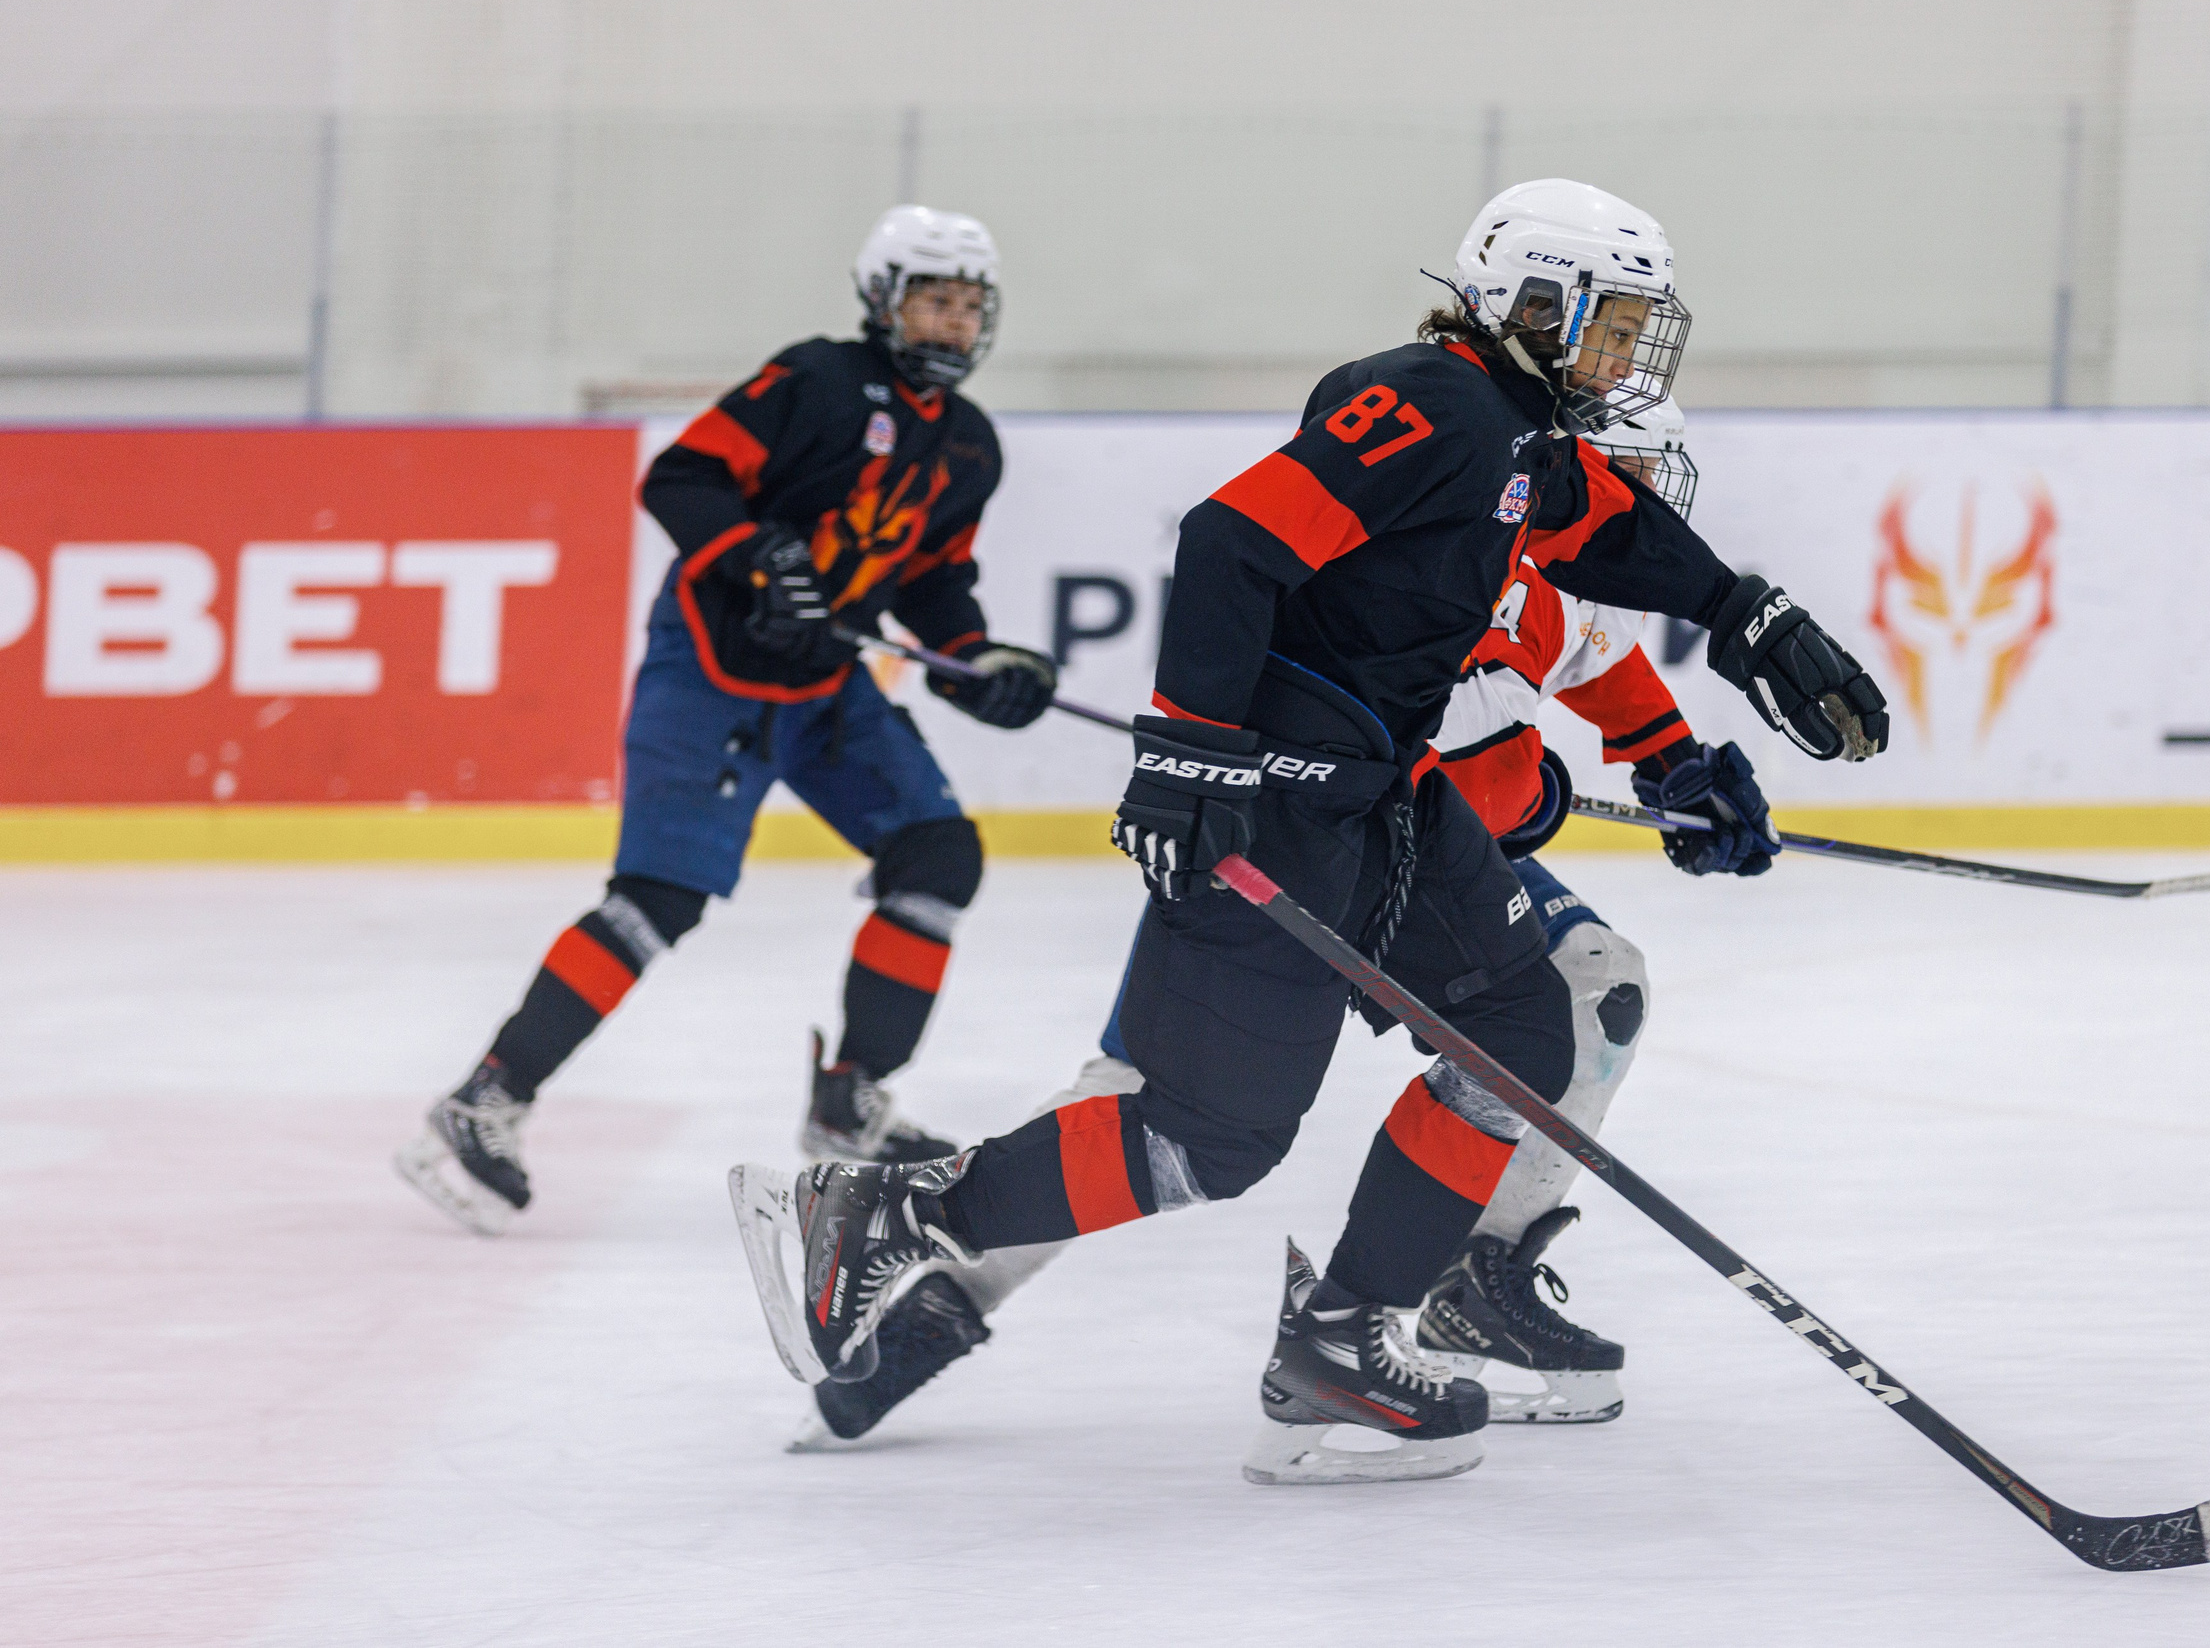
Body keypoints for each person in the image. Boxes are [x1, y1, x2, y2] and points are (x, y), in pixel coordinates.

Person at [731, 178, 1887, 1485]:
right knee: (1204, 1136)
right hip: (1283, 792)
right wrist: (1185, 748)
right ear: (1537, 301)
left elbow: (1596, 526)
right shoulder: (1438, 400)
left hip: (1380, 796)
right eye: (1613, 328)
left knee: (1529, 1025)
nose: (1625, 359)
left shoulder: (1511, 434)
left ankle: (1345, 1336)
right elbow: (1230, 540)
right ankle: (891, 1211)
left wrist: (1744, 613)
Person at [787, 401, 1783, 1448]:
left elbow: (1607, 681)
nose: (1633, 503)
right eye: (1615, 472)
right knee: (1156, 1105)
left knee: (1588, 987)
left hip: (1409, 876)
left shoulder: (1552, 591)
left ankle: (1476, 1269)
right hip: (1287, 852)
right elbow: (1421, 771)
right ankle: (939, 1294)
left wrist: (1682, 777)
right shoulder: (1427, 555)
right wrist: (1523, 795)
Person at [397, 205, 1057, 1237]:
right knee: (657, 898)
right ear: (884, 302)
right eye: (934, 301)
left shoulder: (968, 447)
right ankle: (484, 1099)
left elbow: (933, 585)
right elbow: (682, 476)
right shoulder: (816, 380)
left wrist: (978, 661)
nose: (953, 325)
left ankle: (850, 1103)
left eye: (970, 307)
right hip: (709, 665)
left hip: (826, 681)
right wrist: (765, 558)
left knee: (937, 853)